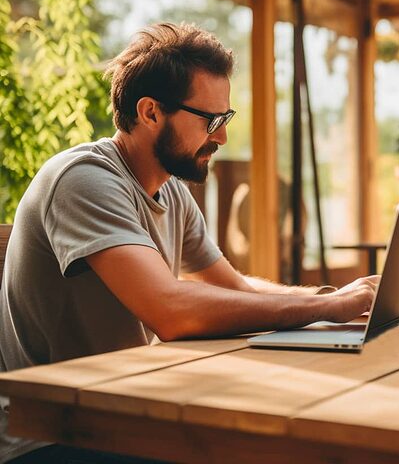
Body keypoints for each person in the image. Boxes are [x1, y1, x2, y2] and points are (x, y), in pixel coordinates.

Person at [0, 23, 377, 463]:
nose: (221, 138)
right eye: (210, 121)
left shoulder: (171, 190)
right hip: (48, 434)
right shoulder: (84, 181)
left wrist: (345, 301)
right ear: (150, 112)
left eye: (226, 119)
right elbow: (171, 311)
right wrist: (326, 309)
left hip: (122, 414)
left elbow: (234, 288)